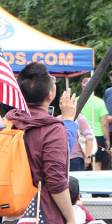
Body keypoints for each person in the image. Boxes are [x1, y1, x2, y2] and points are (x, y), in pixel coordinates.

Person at [6, 62, 76, 224]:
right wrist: (71, 218)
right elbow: (56, 181)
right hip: (41, 213)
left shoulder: (8, 122)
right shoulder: (52, 129)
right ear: (50, 94)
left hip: (10, 211)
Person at [79, 76, 111, 171]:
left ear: (82, 87)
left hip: (81, 135)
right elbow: (104, 123)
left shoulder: (77, 101)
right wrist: (107, 139)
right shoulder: (99, 102)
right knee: (97, 163)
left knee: (82, 162)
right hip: (97, 135)